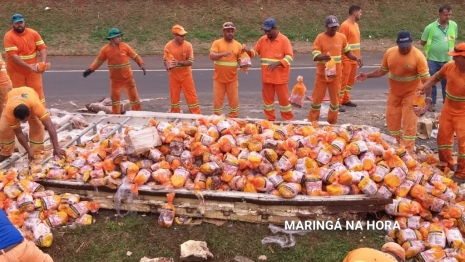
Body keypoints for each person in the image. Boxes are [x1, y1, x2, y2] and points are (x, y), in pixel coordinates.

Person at [355, 30, 430, 154]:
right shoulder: (390, 53)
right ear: (397, 43)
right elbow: (382, 71)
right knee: (392, 121)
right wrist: (367, 75)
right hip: (395, 93)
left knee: (409, 123)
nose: (405, 49)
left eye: (408, 45)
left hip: (412, 93)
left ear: (412, 42)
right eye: (402, 46)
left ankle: (407, 152)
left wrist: (428, 100)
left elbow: (427, 81)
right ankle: (395, 148)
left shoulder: (418, 56)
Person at [418, 43, 465, 178]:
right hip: (448, 109)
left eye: (457, 57)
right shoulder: (450, 67)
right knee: (443, 138)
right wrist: (423, 87)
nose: (453, 59)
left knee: (463, 144)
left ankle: (462, 171)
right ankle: (446, 165)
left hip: (463, 112)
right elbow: (436, 77)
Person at [308, 15, 362, 124]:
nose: (334, 29)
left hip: (335, 77)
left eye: (335, 27)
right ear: (326, 26)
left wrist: (356, 58)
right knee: (316, 101)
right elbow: (315, 54)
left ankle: (332, 121)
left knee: (335, 102)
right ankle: (312, 122)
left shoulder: (341, 37)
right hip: (322, 76)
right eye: (331, 27)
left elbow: (347, 52)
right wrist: (322, 57)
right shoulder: (320, 38)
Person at [82, 28, 145, 114]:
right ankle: (116, 116)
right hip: (115, 81)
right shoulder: (105, 50)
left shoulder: (125, 46)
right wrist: (90, 69)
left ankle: (138, 114)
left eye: (120, 36)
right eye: (117, 37)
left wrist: (141, 64)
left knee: (134, 98)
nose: (120, 38)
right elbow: (98, 61)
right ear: (112, 39)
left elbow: (134, 55)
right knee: (115, 101)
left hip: (128, 78)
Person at [243, 18, 294, 121]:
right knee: (268, 103)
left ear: (275, 28)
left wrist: (279, 63)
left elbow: (290, 57)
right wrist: (247, 51)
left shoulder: (284, 40)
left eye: (269, 30)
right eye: (265, 31)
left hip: (280, 79)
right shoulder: (263, 40)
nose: (267, 33)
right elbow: (254, 53)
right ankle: (270, 121)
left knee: (284, 103)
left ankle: (288, 121)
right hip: (267, 79)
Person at [0, 87, 65, 163]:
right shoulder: (9, 112)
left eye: (25, 120)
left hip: (29, 93)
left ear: (30, 112)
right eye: (21, 121)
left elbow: (50, 126)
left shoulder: (36, 106)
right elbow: (19, 133)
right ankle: (6, 152)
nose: (24, 123)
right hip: (12, 96)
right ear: (16, 117)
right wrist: (28, 150)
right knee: (3, 128)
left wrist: (56, 147)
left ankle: (37, 151)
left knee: (37, 125)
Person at [420, 4, 457, 112]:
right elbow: (422, 42)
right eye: (446, 15)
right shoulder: (430, 27)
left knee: (447, 83)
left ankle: (447, 103)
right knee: (432, 82)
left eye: (450, 15)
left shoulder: (453, 25)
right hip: (433, 60)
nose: (448, 17)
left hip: (448, 60)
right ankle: (431, 103)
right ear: (440, 14)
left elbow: (453, 39)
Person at [3, 14, 47, 105]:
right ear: (12, 24)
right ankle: (18, 115)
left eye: (21, 22)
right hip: (16, 72)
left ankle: (40, 113)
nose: (19, 25)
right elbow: (13, 56)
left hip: (33, 71)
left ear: (24, 22)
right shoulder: (9, 37)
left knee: (38, 93)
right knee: (17, 94)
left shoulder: (33, 33)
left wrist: (43, 63)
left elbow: (42, 48)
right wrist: (28, 67)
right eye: (16, 23)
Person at [163, 25, 201, 114]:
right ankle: (175, 115)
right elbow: (165, 61)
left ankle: (196, 116)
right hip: (174, 77)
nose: (183, 37)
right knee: (174, 100)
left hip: (186, 76)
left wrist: (178, 62)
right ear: (175, 35)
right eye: (181, 35)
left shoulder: (188, 46)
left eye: (184, 35)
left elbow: (190, 62)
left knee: (192, 98)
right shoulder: (168, 46)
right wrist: (167, 65)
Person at [209, 22, 243, 118]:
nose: (230, 33)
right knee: (217, 105)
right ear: (223, 31)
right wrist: (222, 54)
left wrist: (244, 65)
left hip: (232, 80)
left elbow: (241, 60)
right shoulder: (217, 43)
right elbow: (212, 56)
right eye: (228, 31)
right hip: (218, 79)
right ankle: (217, 120)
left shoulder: (238, 45)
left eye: (232, 31)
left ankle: (234, 120)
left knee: (234, 104)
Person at [339, 5, 362, 109]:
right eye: (360, 12)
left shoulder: (356, 25)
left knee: (350, 82)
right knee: (342, 82)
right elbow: (340, 42)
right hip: (346, 59)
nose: (361, 14)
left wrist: (358, 57)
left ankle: (345, 99)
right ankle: (337, 103)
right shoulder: (345, 25)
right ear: (355, 13)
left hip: (354, 59)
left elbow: (355, 43)